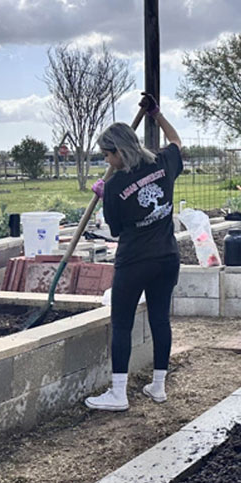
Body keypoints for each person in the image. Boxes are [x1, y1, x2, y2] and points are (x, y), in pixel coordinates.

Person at [84, 94, 184, 412]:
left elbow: (114, 230)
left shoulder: (114, 187)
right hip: (167, 258)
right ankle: (158, 386)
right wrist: (157, 114)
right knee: (159, 320)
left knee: (123, 323)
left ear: (118, 152)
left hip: (134, 262)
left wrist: (104, 197)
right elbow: (176, 140)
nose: (106, 161)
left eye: (107, 155)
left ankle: (118, 393)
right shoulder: (161, 163)